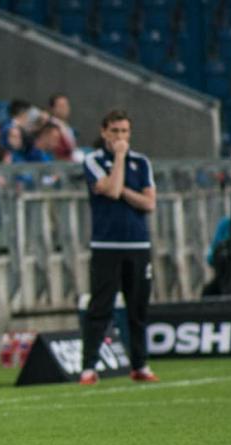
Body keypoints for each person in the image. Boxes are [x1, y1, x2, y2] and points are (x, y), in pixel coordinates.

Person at [81, 109, 158, 385]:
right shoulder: (93, 160)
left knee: (138, 308)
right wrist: (120, 159)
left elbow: (149, 203)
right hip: (106, 245)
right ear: (104, 132)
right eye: (115, 131)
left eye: (124, 131)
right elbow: (111, 191)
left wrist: (123, 189)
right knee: (100, 307)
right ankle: (89, 367)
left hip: (138, 244)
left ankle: (140, 364)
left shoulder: (143, 162)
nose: (120, 137)